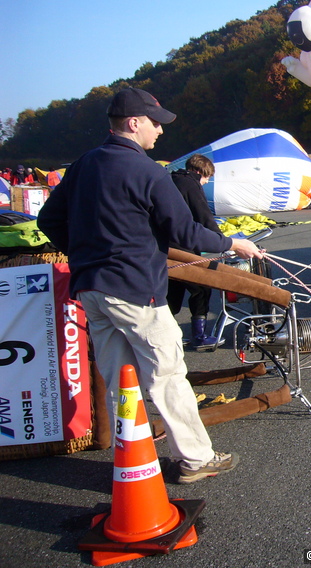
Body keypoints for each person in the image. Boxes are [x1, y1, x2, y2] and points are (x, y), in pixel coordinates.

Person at [38, 87, 264, 483]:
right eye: (155, 123)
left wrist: (84, 252)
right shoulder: (147, 171)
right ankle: (196, 459)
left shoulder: (83, 165)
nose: (160, 130)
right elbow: (184, 233)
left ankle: (133, 459)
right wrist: (232, 244)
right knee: (167, 377)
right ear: (134, 123)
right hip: (137, 291)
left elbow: (48, 220)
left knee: (120, 380)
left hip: (92, 289)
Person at [167, 153, 223, 349]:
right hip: (184, 248)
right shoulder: (191, 184)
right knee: (201, 287)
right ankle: (199, 336)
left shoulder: (170, 180)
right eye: (207, 177)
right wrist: (222, 241)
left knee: (172, 293)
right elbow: (203, 216)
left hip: (166, 248)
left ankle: (166, 336)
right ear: (200, 172)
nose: (206, 182)